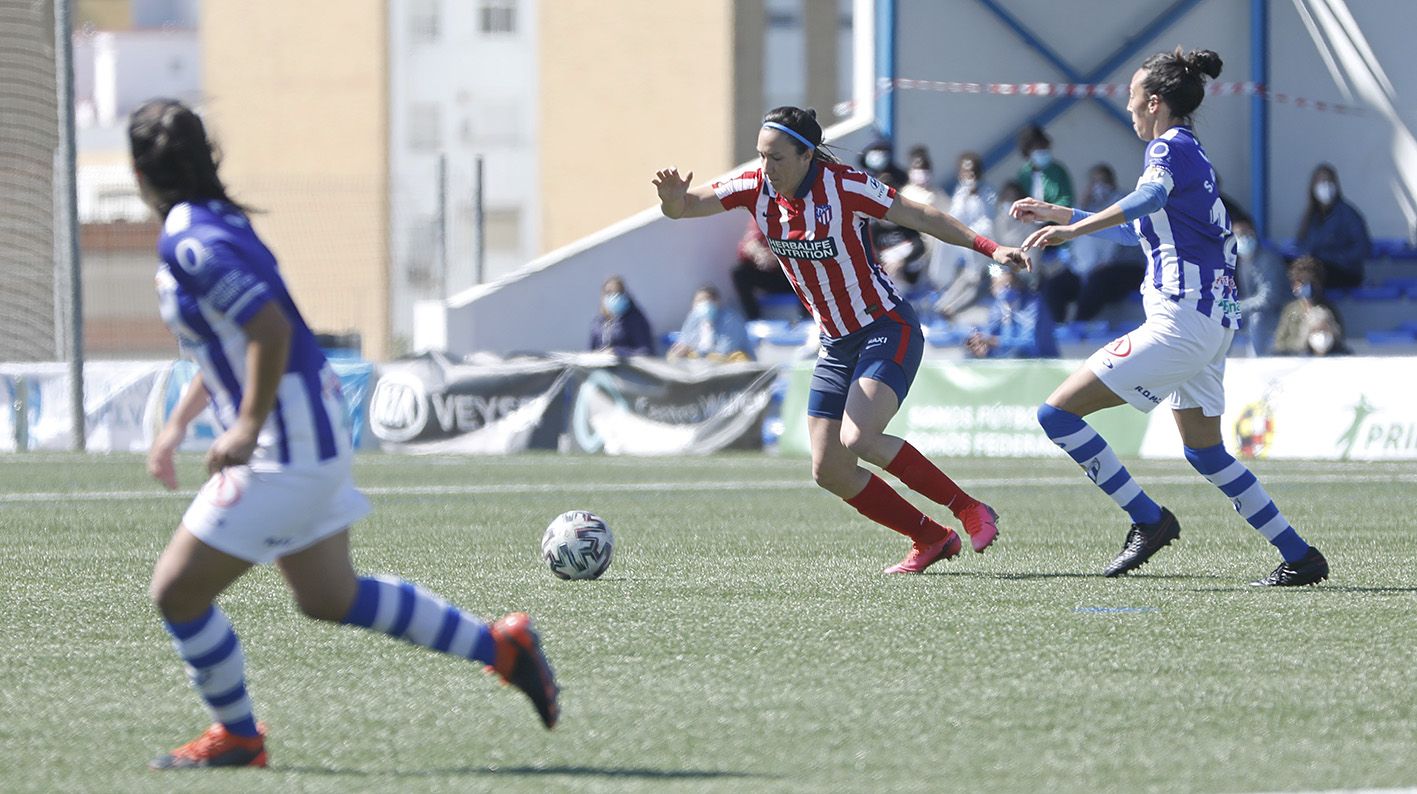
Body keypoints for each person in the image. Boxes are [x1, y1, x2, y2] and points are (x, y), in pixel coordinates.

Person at [129, 99, 559, 770]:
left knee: (177, 590)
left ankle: (238, 736)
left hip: (286, 444)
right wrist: (178, 425)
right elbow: (232, 340)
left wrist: (244, 426)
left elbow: (269, 332)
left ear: (139, 171)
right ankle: (502, 649)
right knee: (330, 597)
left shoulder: (189, 237)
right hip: (310, 427)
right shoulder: (216, 222)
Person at [652, 106, 1030, 573]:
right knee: (828, 468)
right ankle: (930, 538)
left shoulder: (844, 185)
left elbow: (924, 216)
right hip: (835, 342)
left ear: (807, 155)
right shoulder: (756, 186)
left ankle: (970, 508)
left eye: (776, 158)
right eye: (760, 157)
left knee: (859, 437)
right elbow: (686, 206)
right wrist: (673, 200)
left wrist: (992, 248)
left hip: (885, 326)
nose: (766, 168)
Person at [1012, 48, 1328, 586]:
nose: (1130, 109)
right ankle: (1300, 556)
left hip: (1180, 322)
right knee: (1206, 453)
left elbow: (1148, 197)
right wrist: (1061, 215)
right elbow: (1141, 222)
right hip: (1210, 324)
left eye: (1133, 99)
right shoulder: (1193, 156)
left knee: (1056, 415)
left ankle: (1148, 519)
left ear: (1154, 103)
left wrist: (1073, 232)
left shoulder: (1165, 150)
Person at [1042, 163, 1147, 323]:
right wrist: (1082, 204)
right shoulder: (1086, 207)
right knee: (1054, 285)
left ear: (1112, 182)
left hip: (1124, 266)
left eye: (1103, 181)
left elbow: (1131, 240)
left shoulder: (1125, 202)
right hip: (1088, 270)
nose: (1099, 187)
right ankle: (1058, 328)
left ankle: (1080, 324)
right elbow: (1074, 237)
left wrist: (1108, 263)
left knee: (1097, 280)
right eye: (1094, 182)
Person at [930, 152, 997, 323]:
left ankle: (950, 308)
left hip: (984, 257)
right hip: (962, 248)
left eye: (973, 172)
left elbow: (988, 224)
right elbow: (954, 219)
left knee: (973, 281)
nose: (970, 177)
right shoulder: (960, 194)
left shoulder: (989, 194)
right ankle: (941, 293)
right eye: (966, 172)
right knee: (942, 241)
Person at [1296, 163, 1371, 290]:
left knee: (1312, 277)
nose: (1325, 186)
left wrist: (1332, 258)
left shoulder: (1348, 214)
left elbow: (1363, 248)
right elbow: (1303, 244)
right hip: (1316, 269)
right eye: (1320, 182)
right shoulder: (1310, 217)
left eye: (1329, 181)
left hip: (1344, 271)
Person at [965, 266, 1059, 359]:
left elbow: (1029, 343)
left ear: (1018, 284)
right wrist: (984, 348)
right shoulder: (997, 306)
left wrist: (994, 341)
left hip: (1041, 362)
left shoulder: (1033, 304)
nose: (1005, 290)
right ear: (992, 289)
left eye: (1008, 285)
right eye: (999, 286)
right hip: (1010, 366)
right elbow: (990, 333)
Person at [1232, 216, 1290, 355]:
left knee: (1257, 319)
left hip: (1280, 312)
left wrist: (1238, 306)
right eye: (1239, 235)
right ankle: (1220, 366)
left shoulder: (1268, 259)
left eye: (1247, 234)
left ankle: (1257, 364)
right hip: (1250, 309)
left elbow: (1270, 298)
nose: (1244, 238)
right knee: (1226, 317)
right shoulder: (1238, 261)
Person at [1272, 255, 1348, 356]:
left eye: (1312, 283)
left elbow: (1339, 340)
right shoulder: (1291, 311)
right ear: (1294, 286)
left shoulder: (1329, 310)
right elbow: (1279, 343)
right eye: (1302, 283)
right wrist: (1301, 344)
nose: (1307, 287)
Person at [731, 219, 799, 320]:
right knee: (739, 273)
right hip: (771, 273)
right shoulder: (761, 217)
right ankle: (754, 319)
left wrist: (778, 257)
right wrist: (756, 253)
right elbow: (746, 245)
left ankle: (809, 317)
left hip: (792, 274)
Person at [668, 284, 755, 361]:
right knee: (673, 356)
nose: (702, 305)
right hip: (702, 362)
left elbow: (725, 350)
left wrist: (695, 352)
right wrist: (681, 350)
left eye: (705, 301)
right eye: (698, 301)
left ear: (717, 302)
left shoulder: (731, 319)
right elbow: (684, 340)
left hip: (731, 363)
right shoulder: (693, 317)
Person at [589, 275, 655, 356]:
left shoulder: (635, 320)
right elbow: (591, 351)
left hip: (627, 367)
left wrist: (618, 352)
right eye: (609, 293)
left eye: (618, 292)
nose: (614, 296)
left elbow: (646, 351)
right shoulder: (598, 323)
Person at [1014, 123, 1073, 207]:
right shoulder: (1023, 174)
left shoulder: (1058, 171)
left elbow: (1067, 199)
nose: (1042, 151)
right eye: (1037, 148)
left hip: (1055, 218)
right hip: (1030, 219)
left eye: (1044, 147)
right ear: (1027, 152)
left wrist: (1048, 212)